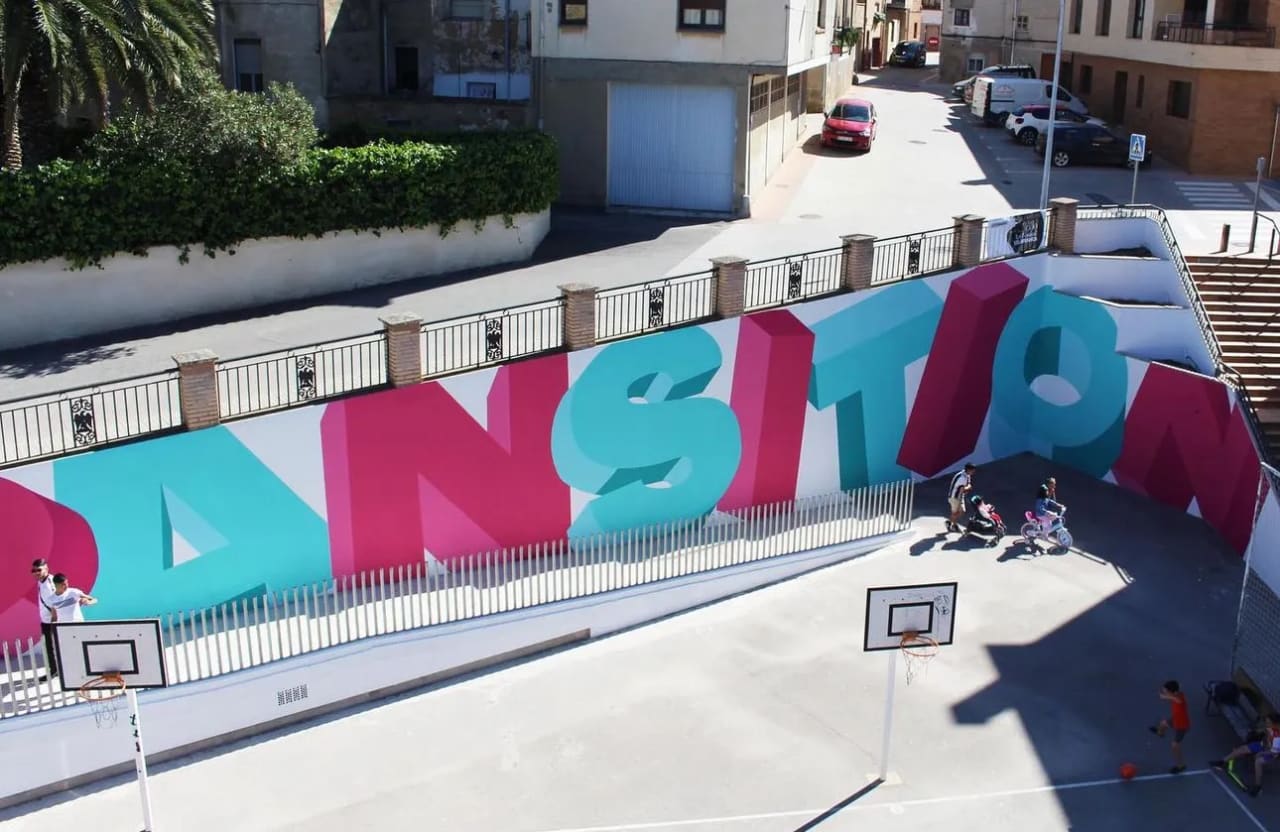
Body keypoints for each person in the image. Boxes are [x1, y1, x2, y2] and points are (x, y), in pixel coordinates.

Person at [1211, 712, 1280, 797]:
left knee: (1258, 762)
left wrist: (1260, 753)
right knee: (1242, 748)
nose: (1266, 723)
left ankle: (1258, 787)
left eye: (1268, 722)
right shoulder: (1269, 727)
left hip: (1271, 753)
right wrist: (1260, 732)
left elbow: (1274, 752)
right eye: (1266, 721)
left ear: (1275, 723)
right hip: (1263, 745)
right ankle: (1222, 762)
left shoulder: (1278, 736)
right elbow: (1265, 733)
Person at [1149, 679, 1191, 774]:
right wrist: (1166, 694)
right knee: (1163, 723)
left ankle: (1180, 766)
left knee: (1175, 745)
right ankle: (1160, 733)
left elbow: (1177, 700)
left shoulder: (1180, 698)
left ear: (1174, 692)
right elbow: (1174, 693)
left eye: (1166, 691)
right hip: (1176, 719)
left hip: (1182, 725)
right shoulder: (1176, 693)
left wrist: (1165, 697)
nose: (1164, 692)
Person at [31, 559, 59, 678]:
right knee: (49, 647)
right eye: (34, 570)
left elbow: (56, 602)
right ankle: (54, 670)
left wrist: (54, 621)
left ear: (46, 569)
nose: (36, 572)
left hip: (52, 621)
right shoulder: (41, 582)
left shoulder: (49, 583)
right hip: (45, 619)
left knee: (54, 647)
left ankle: (56, 671)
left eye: (39, 570)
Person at [947, 463, 976, 533]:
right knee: (956, 512)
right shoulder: (962, 478)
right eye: (973, 471)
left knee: (962, 511)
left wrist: (968, 486)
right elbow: (963, 490)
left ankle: (950, 522)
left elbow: (968, 483)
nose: (974, 472)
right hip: (954, 498)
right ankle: (952, 525)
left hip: (960, 496)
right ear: (969, 470)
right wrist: (969, 487)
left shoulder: (967, 475)